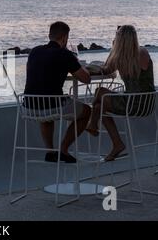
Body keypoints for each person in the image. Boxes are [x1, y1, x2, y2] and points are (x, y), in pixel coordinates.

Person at [24, 21, 92, 163]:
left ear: (49, 35)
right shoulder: (65, 54)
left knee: (47, 113)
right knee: (86, 111)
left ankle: (50, 151)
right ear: (65, 38)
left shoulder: (34, 51)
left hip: (29, 105)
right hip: (53, 104)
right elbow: (86, 79)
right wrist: (78, 64)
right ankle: (64, 150)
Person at [86, 25, 155, 161]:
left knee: (100, 91)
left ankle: (92, 124)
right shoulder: (141, 52)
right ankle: (117, 144)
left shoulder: (127, 56)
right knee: (100, 107)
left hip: (134, 103)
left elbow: (105, 69)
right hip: (145, 102)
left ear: (120, 40)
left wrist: (114, 49)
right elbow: (106, 70)